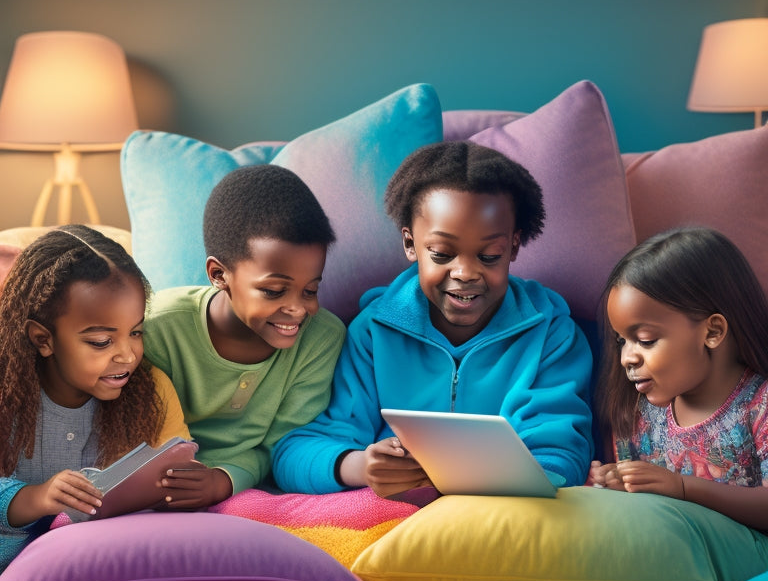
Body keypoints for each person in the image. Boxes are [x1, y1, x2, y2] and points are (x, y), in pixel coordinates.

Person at [272, 141, 594, 498]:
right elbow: (295, 453)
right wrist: (360, 465)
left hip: (505, 517)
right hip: (397, 517)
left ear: (514, 246)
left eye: (489, 256)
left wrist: (496, 481)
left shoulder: (552, 333)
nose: (466, 273)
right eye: (441, 254)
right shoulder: (372, 333)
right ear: (411, 244)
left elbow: (562, 456)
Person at [142, 164, 345, 508]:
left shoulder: (321, 339)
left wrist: (223, 480)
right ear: (219, 274)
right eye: (274, 291)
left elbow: (284, 445)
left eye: (310, 290)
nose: (297, 309)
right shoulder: (159, 326)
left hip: (248, 488)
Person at [0, 225, 191, 571]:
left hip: (96, 571)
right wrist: (36, 498)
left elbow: (172, 471)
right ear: (44, 339)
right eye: (102, 341)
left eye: (135, 332)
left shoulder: (151, 391)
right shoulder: (6, 391)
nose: (128, 355)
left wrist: (181, 487)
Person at [589, 227, 768, 533]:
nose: (626, 358)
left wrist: (683, 488)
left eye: (645, 340)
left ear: (712, 333)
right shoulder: (640, 412)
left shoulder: (758, 406)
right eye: (622, 341)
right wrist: (617, 482)